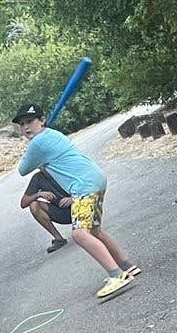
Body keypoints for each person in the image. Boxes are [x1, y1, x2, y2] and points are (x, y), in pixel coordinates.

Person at [12, 104, 139, 300]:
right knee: (94, 231)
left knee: (79, 234)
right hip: (95, 179)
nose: (26, 127)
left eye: (30, 121)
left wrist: (31, 152)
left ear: (42, 121)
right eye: (22, 124)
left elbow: (22, 169)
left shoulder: (38, 143)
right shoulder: (52, 134)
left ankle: (117, 275)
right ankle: (127, 266)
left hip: (84, 187)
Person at [20, 164, 72, 252]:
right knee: (34, 205)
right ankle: (59, 239)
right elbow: (23, 203)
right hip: (62, 213)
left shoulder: (64, 170)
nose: (43, 168)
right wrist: (38, 194)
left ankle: (91, 228)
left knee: (83, 233)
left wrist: (73, 198)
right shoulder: (38, 178)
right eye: (41, 166)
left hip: (81, 207)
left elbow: (88, 184)